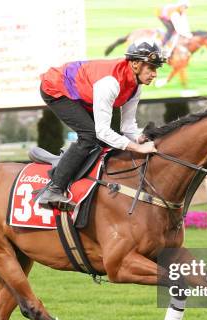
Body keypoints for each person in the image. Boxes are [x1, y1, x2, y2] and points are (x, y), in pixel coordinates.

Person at [37, 41, 166, 209]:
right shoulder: (110, 83)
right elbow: (102, 131)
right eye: (151, 68)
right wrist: (138, 148)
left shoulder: (136, 86)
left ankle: (64, 163)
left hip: (83, 94)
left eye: (156, 69)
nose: (154, 74)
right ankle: (53, 189)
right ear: (135, 64)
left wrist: (140, 139)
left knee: (103, 140)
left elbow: (127, 127)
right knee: (90, 136)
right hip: (55, 88)